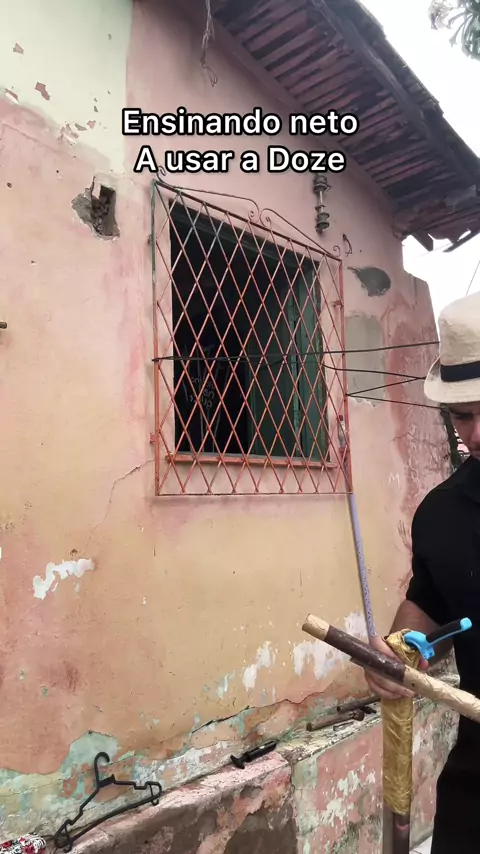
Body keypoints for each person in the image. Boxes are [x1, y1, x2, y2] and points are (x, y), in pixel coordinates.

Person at [364, 290, 480, 853]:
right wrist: (399, 654)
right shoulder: (440, 513)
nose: (476, 435)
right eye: (463, 415)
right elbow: (430, 603)